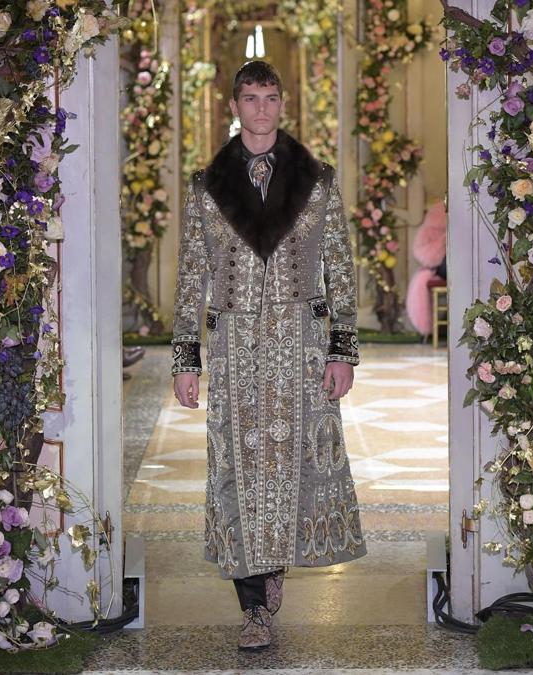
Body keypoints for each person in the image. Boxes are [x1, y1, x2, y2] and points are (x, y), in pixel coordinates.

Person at [171, 60, 366, 651]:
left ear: (283, 104)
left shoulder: (317, 181)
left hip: (299, 343)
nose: (261, 108)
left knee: (293, 461)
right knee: (238, 466)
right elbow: (192, 274)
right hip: (233, 346)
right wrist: (185, 359)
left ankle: (275, 563)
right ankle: (254, 604)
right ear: (234, 106)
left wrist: (343, 348)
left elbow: (340, 265)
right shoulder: (207, 186)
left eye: (270, 97)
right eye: (251, 98)